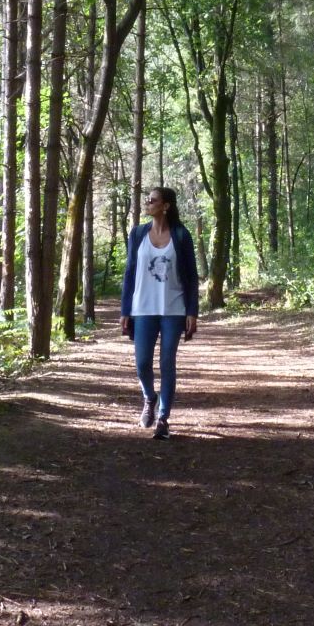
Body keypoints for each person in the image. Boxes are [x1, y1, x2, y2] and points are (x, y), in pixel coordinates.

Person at [119, 186, 199, 439]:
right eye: (147, 199)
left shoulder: (181, 235)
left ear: (166, 206)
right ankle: (149, 397)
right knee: (142, 362)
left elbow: (191, 277)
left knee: (167, 363)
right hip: (143, 309)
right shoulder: (138, 234)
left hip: (173, 309)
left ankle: (163, 418)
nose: (147, 203)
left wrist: (192, 311)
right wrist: (125, 309)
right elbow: (129, 273)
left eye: (152, 200)